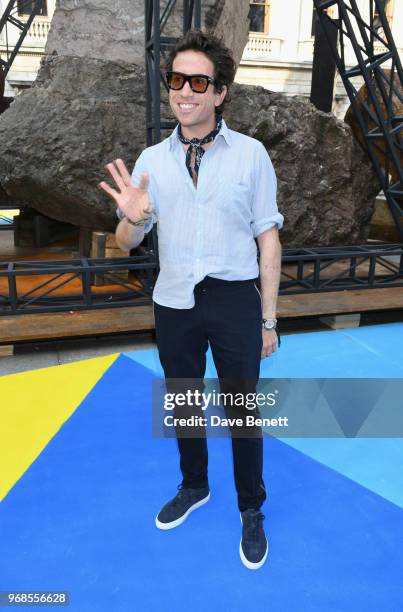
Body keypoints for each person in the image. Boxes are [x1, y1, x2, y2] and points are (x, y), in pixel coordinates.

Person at [99, 30, 283, 571]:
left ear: (220, 92)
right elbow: (123, 242)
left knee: (243, 413)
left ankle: (252, 508)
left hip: (233, 299)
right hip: (174, 298)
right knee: (182, 404)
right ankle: (195, 486)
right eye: (177, 80)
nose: (185, 91)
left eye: (198, 81)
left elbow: (267, 238)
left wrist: (269, 320)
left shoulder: (251, 156)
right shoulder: (151, 158)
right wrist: (133, 219)